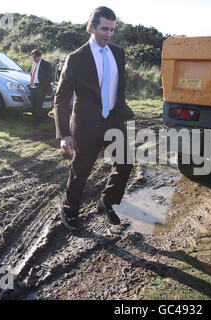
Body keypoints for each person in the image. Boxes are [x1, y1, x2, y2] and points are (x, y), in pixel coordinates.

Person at [54, 6, 135, 231]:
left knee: (125, 162)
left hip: (113, 122)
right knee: (81, 172)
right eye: (104, 29)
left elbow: (119, 86)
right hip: (86, 126)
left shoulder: (118, 53)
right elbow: (61, 98)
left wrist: (121, 109)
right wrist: (64, 134)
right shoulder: (76, 58)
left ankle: (105, 202)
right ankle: (69, 211)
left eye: (111, 29)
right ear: (91, 28)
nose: (108, 34)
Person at [30, 49, 52, 127]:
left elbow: (49, 77)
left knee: (38, 106)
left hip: (40, 87)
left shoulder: (46, 64)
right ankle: (35, 120)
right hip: (33, 86)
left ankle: (37, 123)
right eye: (32, 57)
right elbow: (32, 74)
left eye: (35, 57)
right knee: (33, 104)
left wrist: (43, 87)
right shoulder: (33, 64)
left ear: (39, 56)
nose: (33, 59)